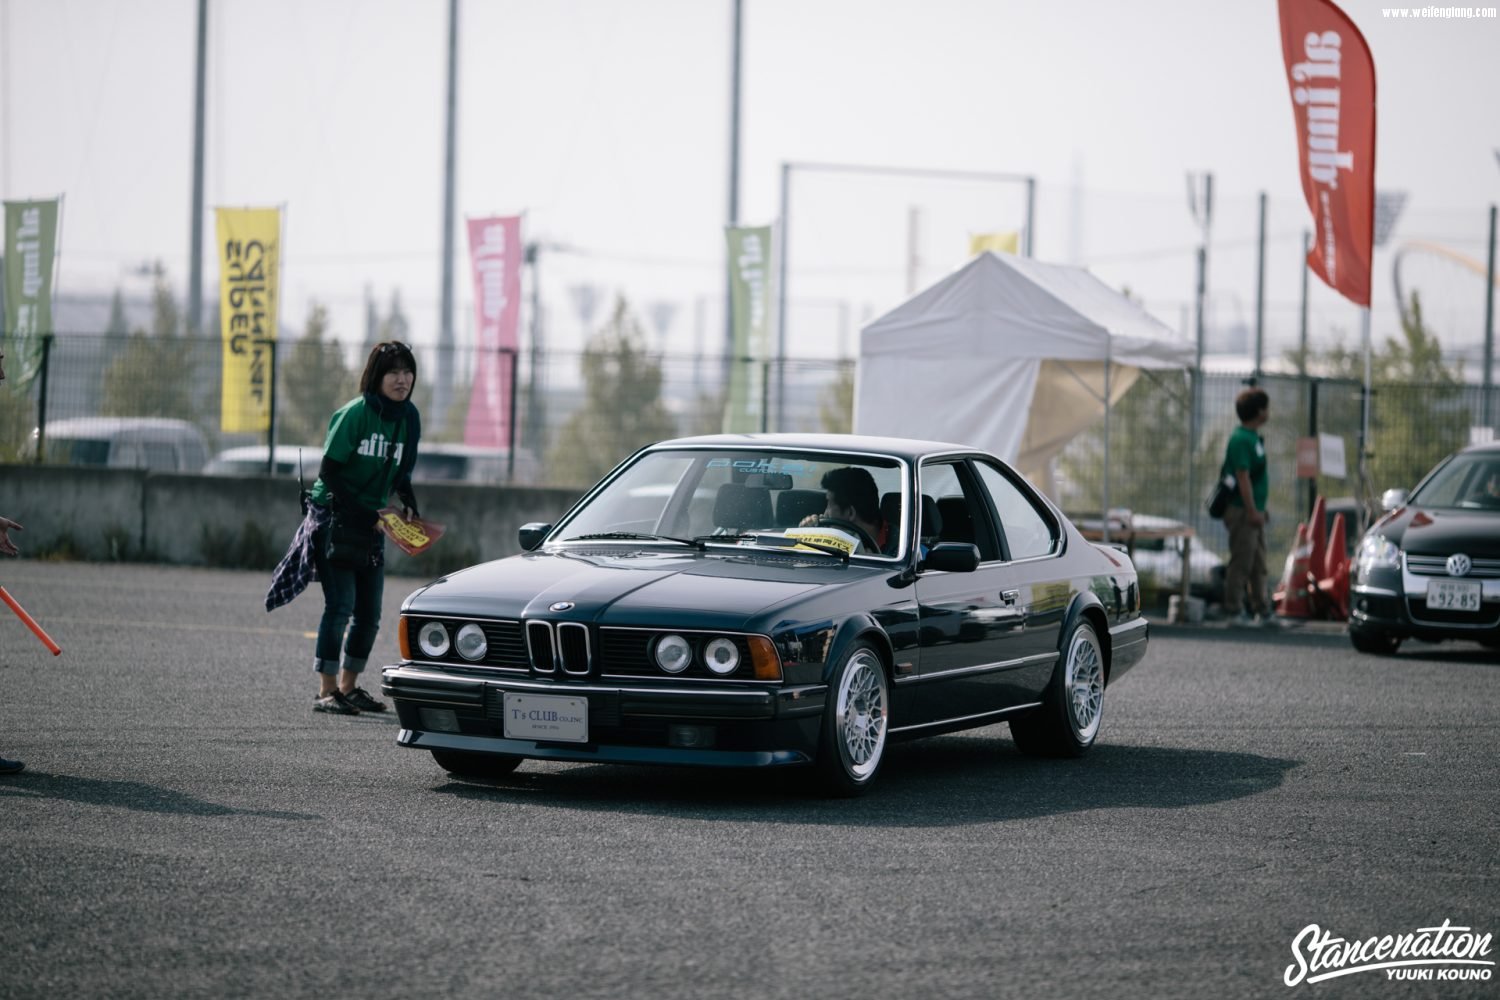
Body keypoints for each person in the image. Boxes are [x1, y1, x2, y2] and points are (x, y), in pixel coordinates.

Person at [266, 341, 422, 714]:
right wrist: (364, 514)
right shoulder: (354, 414)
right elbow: (329, 473)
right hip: (334, 519)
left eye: (407, 372)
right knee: (340, 606)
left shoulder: (409, 417)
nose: (402, 380)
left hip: (372, 522)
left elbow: (401, 470)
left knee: (369, 613)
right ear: (376, 376)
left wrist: (408, 498)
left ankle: (350, 687)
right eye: (393, 373)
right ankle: (326, 690)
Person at [1220, 387, 1277, 627]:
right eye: (1265, 407)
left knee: (1259, 562)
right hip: (1242, 511)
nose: (1268, 411)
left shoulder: (1253, 438)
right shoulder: (1241, 439)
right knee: (1242, 561)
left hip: (1253, 511)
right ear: (1258, 411)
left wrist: (1260, 509)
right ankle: (1234, 610)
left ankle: (1261, 609)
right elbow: (1243, 477)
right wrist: (1252, 510)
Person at [800, 466, 890, 552]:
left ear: (850, 513)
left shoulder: (900, 549)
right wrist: (806, 536)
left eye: (829, 505)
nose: (824, 514)